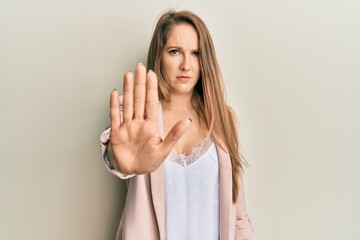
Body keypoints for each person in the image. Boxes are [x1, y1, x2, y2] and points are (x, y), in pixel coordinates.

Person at [100, 10, 253, 240]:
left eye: (195, 53)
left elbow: (238, 214)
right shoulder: (138, 115)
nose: (186, 65)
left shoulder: (224, 119)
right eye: (175, 52)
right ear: (159, 56)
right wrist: (116, 159)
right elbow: (116, 155)